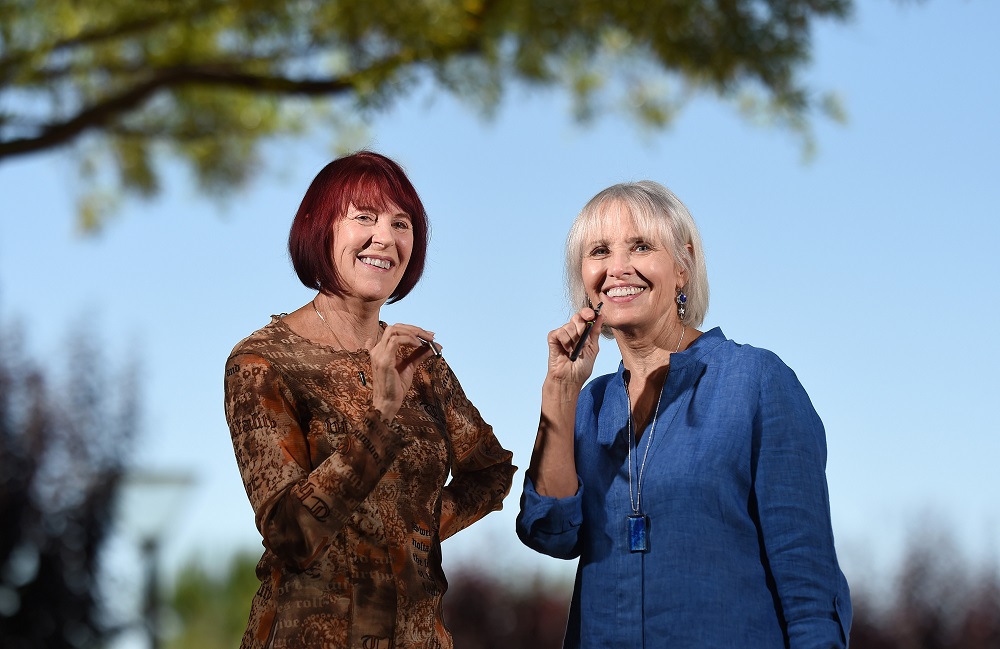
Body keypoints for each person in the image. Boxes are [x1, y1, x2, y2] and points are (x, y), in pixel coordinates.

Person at [516, 181, 852, 648]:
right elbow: (549, 533)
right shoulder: (587, 405)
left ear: (682, 266)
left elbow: (809, 587)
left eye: (640, 246)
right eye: (599, 251)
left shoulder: (756, 381)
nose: (617, 268)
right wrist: (559, 390)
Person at [224, 151, 516, 649]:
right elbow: (290, 535)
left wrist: (417, 530)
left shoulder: (419, 362)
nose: (386, 237)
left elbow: (491, 473)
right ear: (321, 229)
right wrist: (380, 418)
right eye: (364, 217)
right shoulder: (263, 362)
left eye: (401, 223)